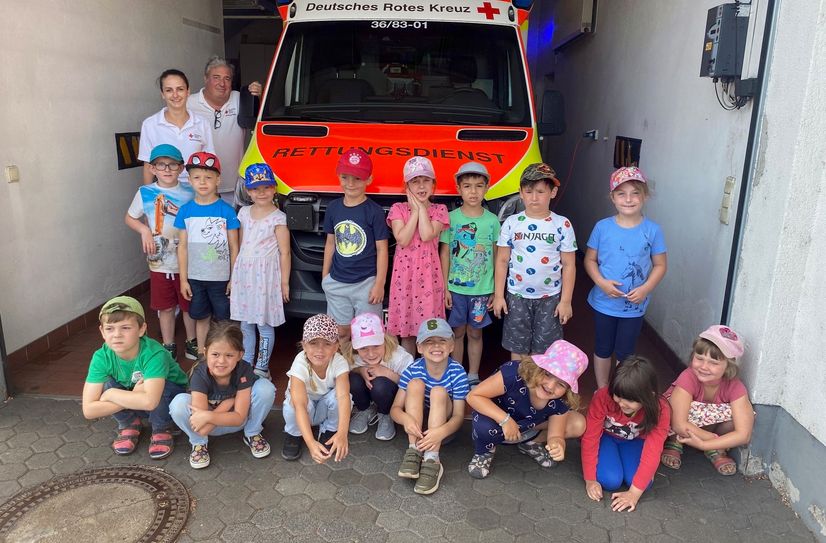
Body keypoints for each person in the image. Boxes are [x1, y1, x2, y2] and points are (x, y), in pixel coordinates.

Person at [584, 166, 668, 388]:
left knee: (626, 352)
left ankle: (620, 392)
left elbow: (660, 265)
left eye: (635, 193)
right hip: (604, 303)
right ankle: (603, 389)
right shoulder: (602, 228)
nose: (628, 199)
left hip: (634, 306)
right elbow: (589, 260)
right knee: (602, 347)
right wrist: (601, 282)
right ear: (612, 197)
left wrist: (645, 289)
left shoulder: (653, 230)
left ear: (645, 196)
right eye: (621, 193)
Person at [81, 296, 188, 460]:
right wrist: (131, 395)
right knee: (107, 384)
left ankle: (163, 426)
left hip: (167, 397)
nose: (117, 335)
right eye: (110, 328)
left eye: (125, 328)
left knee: (160, 386)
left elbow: (151, 402)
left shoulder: (153, 353)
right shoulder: (101, 356)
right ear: (102, 331)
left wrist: (110, 396)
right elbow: (88, 410)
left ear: (141, 329)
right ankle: (130, 423)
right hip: (136, 395)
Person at [466, 339, 588, 479]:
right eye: (547, 374)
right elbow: (473, 396)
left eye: (561, 384)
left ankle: (530, 443)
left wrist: (557, 445)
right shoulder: (513, 373)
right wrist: (505, 420)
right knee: (484, 426)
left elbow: (556, 435)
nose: (550, 386)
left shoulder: (562, 400)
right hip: (497, 421)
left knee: (578, 423)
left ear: (568, 389)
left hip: (525, 427)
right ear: (538, 368)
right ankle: (485, 450)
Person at [493, 163, 577, 359]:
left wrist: (566, 301)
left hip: (550, 298)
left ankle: (537, 389)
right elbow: (502, 260)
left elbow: (569, 265)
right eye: (528, 191)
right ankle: (518, 387)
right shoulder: (511, 223)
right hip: (517, 296)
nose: (534, 197)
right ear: (521, 193)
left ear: (553, 192)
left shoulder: (562, 224)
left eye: (540, 191)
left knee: (545, 351)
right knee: (518, 348)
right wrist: (499, 295)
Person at [125, 144, 198, 361]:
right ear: (153, 168)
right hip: (159, 262)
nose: (167, 169)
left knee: (189, 305)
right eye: (160, 165)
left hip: (187, 261)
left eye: (172, 164)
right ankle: (168, 345)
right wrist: (144, 230)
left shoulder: (191, 191)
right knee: (165, 307)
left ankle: (191, 342)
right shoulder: (145, 192)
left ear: (181, 168)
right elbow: (130, 217)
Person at [169, 321, 276, 469]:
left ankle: (252, 432)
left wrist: (208, 415)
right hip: (207, 428)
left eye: (229, 355)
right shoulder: (200, 374)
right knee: (178, 403)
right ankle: (199, 443)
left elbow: (239, 418)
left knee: (265, 388)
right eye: (215, 354)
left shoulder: (244, 369)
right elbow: (202, 429)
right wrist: (227, 403)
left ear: (240, 355)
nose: (221, 361)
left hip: (238, 422)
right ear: (205, 353)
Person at [660, 325, 754, 476]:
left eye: (713, 363)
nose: (704, 366)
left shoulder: (735, 387)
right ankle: (675, 442)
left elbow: (744, 434)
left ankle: (713, 449)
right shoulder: (688, 377)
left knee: (741, 414)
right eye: (699, 358)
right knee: (674, 406)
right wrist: (715, 440)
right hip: (678, 429)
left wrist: (705, 444)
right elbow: (678, 424)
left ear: (728, 366)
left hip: (706, 432)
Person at [581, 356, 671, 512]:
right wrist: (589, 479)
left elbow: (654, 449)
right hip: (607, 438)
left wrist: (634, 494)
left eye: (629, 400)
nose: (621, 403)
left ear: (649, 395)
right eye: (618, 396)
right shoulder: (603, 396)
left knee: (641, 483)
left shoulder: (661, 409)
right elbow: (590, 437)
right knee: (610, 481)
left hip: (635, 442)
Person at [390, 318, 469, 495]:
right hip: (416, 430)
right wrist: (406, 419)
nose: (436, 346)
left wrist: (441, 432)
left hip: (442, 432)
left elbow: (458, 416)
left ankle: (433, 459)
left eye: (442, 341)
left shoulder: (457, 372)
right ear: (419, 348)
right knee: (415, 384)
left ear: (451, 346)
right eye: (429, 342)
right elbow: (395, 409)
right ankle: (414, 451)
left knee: (439, 391)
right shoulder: (413, 369)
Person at [439, 162, 500, 387]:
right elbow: (445, 253)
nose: (473, 192)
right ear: (459, 189)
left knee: (476, 333)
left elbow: (497, 257)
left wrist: (496, 289)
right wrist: (445, 287)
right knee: (457, 332)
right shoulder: (450, 218)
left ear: (487, 188)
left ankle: (473, 374)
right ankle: (456, 374)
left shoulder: (492, 221)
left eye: (478, 186)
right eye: (467, 186)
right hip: (456, 289)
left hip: (482, 291)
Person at [174, 152, 240, 357]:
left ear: (218, 180)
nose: (202, 182)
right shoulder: (185, 211)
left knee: (224, 320)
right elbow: (182, 247)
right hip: (196, 278)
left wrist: (233, 277)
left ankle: (227, 354)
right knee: (201, 317)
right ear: (190, 180)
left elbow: (234, 246)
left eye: (208, 177)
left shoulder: (227, 211)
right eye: (196, 177)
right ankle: (203, 357)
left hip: (221, 279)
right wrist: (183, 280)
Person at [230, 163, 290, 380]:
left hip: (265, 277)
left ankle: (262, 367)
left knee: (264, 324)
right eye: (256, 188)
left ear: (274, 188)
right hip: (245, 274)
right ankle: (247, 363)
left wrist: (284, 282)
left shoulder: (278, 217)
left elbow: (285, 252)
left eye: (266, 187)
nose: (261, 192)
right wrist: (232, 276)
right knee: (246, 323)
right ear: (248, 191)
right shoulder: (244, 213)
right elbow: (239, 244)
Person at [322, 148, 389, 341]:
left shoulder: (374, 211)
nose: (350, 183)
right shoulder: (333, 208)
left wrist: (379, 284)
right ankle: (344, 370)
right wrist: (325, 276)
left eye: (357, 178)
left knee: (368, 335)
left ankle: (365, 369)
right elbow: (330, 243)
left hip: (366, 284)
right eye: (345, 177)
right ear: (339, 177)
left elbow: (381, 249)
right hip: (337, 281)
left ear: (369, 179)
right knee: (340, 333)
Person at [387, 157, 450, 355]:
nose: (421, 186)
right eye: (415, 181)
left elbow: (426, 234)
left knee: (430, 330)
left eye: (426, 180)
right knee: (406, 333)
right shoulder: (397, 209)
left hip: (429, 278)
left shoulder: (440, 210)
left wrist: (422, 208)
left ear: (434, 184)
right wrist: (415, 211)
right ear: (407, 186)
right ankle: (407, 374)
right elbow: (403, 239)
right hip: (404, 278)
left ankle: (428, 372)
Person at [187, 56, 263, 205]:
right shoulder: (189, 103)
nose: (222, 83)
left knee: (232, 226)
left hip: (233, 184)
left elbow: (261, 122)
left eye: (227, 79)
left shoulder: (242, 99)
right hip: (200, 185)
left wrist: (259, 95)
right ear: (206, 79)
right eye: (216, 77)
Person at [281, 314, 352, 463]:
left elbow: (344, 396)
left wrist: (342, 432)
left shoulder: (339, 362)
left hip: (322, 408)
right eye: (313, 343)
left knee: (342, 398)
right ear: (304, 345)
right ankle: (295, 434)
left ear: (336, 346)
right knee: (291, 403)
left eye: (327, 343)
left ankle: (330, 430)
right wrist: (311, 443)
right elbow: (300, 405)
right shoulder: (300, 363)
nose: (320, 350)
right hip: (305, 409)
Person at [343, 312, 414, 441]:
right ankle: (364, 409)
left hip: (391, 395)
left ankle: (385, 413)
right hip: (368, 393)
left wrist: (387, 373)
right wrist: (360, 370)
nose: (371, 354)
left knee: (381, 384)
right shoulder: (353, 356)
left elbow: (412, 384)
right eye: (364, 348)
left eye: (376, 345)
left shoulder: (399, 356)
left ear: (385, 340)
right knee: (350, 378)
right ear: (355, 347)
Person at [138, 69, 214, 185]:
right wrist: (148, 197)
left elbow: (210, 163)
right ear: (162, 94)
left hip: (197, 191)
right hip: (165, 192)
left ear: (188, 91)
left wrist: (211, 197)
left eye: (180, 89)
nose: (175, 95)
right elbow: (148, 166)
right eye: (169, 90)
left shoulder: (202, 123)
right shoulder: (150, 124)